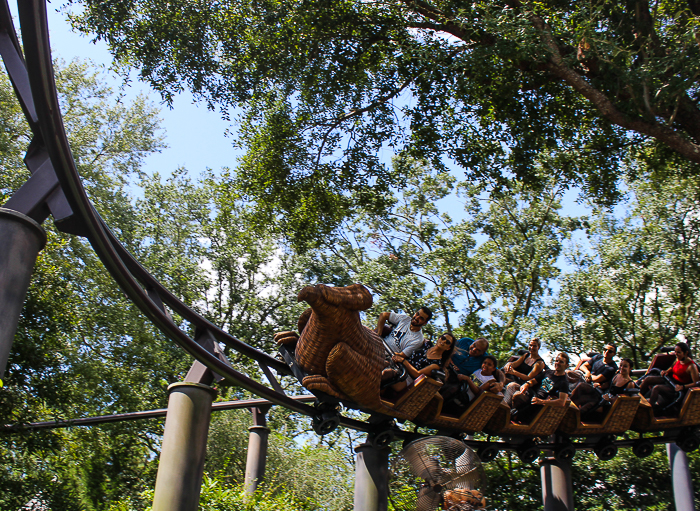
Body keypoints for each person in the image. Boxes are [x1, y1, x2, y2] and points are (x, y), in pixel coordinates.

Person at [640, 342, 699, 413]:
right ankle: (638, 398)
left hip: (677, 388)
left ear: (686, 353)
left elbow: (696, 383)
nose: (676, 354)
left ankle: (649, 411)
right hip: (671, 381)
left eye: (679, 352)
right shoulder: (678, 359)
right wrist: (666, 371)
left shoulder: (691, 366)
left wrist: (682, 387)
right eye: (675, 352)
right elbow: (672, 366)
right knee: (648, 379)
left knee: (656, 388)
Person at [511, 352, 570, 423]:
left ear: (566, 365)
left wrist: (541, 401)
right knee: (512, 386)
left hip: (539, 401)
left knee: (517, 396)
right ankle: (510, 411)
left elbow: (562, 402)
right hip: (532, 393)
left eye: (561, 362)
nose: (558, 363)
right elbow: (534, 381)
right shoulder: (548, 372)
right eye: (557, 361)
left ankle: (515, 416)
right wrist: (527, 384)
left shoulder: (563, 382)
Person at [386, 332, 456, 393]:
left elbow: (417, 374)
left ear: (448, 348)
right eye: (443, 338)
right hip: (398, 367)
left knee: (387, 373)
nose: (443, 341)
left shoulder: (436, 364)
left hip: (406, 378)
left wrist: (404, 361)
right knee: (383, 362)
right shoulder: (427, 344)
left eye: (447, 342)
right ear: (439, 338)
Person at [569, 344, 618, 413]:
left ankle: (567, 403)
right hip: (587, 381)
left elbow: (597, 379)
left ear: (614, 354)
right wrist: (587, 372)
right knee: (568, 373)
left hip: (596, 391)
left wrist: (589, 376)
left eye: (610, 351)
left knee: (581, 385)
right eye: (605, 349)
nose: (606, 352)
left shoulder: (612, 368)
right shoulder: (598, 357)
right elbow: (583, 366)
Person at [503, 338, 545, 405]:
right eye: (530, 345)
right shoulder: (526, 355)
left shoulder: (539, 363)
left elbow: (528, 377)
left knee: (512, 386)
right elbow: (515, 364)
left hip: (526, 387)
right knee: (501, 378)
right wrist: (509, 364)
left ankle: (504, 405)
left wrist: (514, 372)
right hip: (517, 380)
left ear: (538, 347)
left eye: (534, 346)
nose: (532, 347)